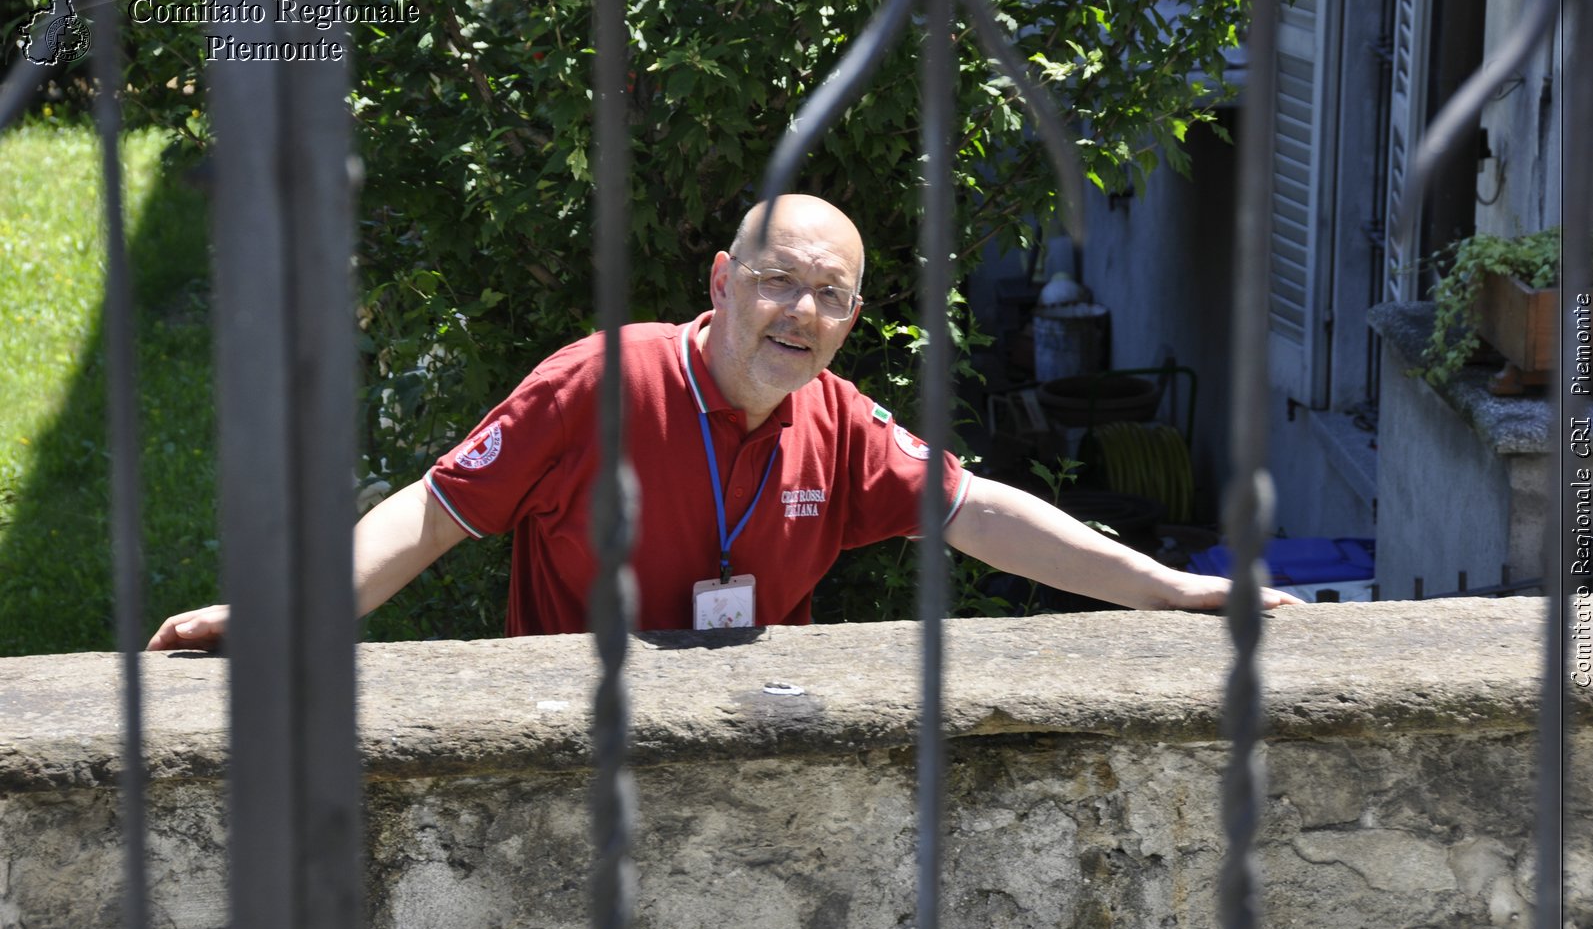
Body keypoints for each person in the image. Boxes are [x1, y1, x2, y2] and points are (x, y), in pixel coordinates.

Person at [147, 194, 1299, 650]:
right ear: (721, 280)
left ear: (852, 320)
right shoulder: (596, 385)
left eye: (831, 295)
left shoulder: (837, 422)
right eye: (778, 281)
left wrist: (1180, 588)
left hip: (750, 759)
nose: (800, 312)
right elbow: (435, 516)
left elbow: (984, 515)